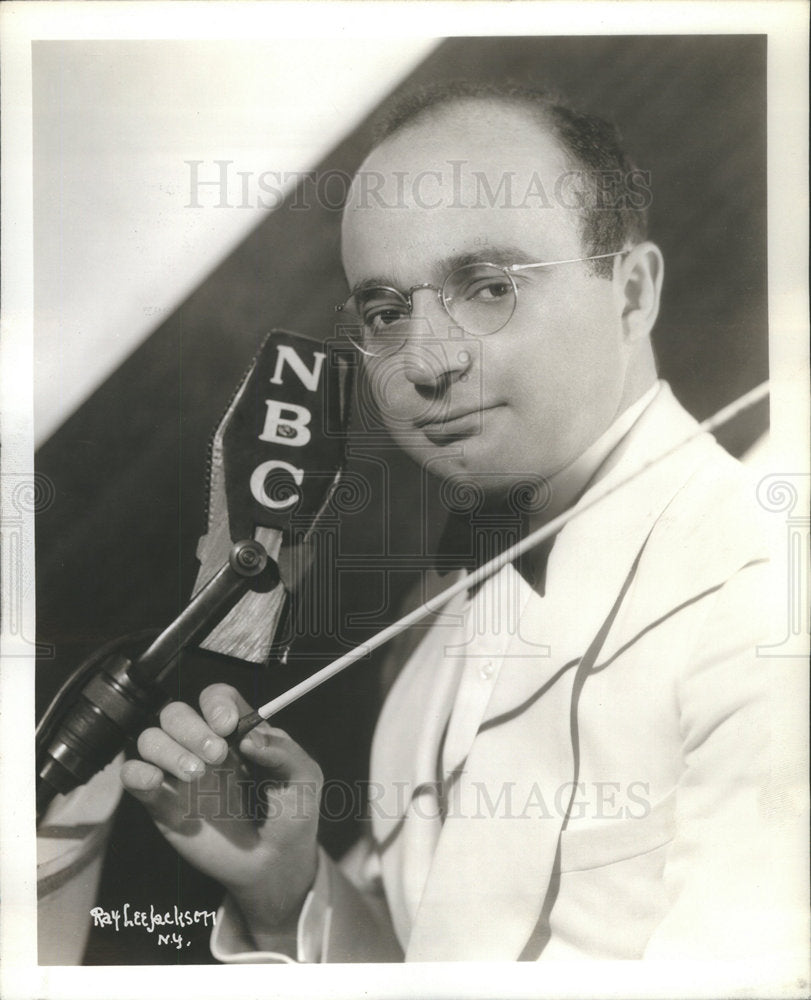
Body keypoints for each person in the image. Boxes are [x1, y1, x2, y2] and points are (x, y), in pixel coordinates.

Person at [120, 82, 803, 964]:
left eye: (487, 288)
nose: (426, 362)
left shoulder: (767, 603)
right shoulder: (439, 615)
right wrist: (283, 883)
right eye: (385, 313)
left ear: (630, 293)